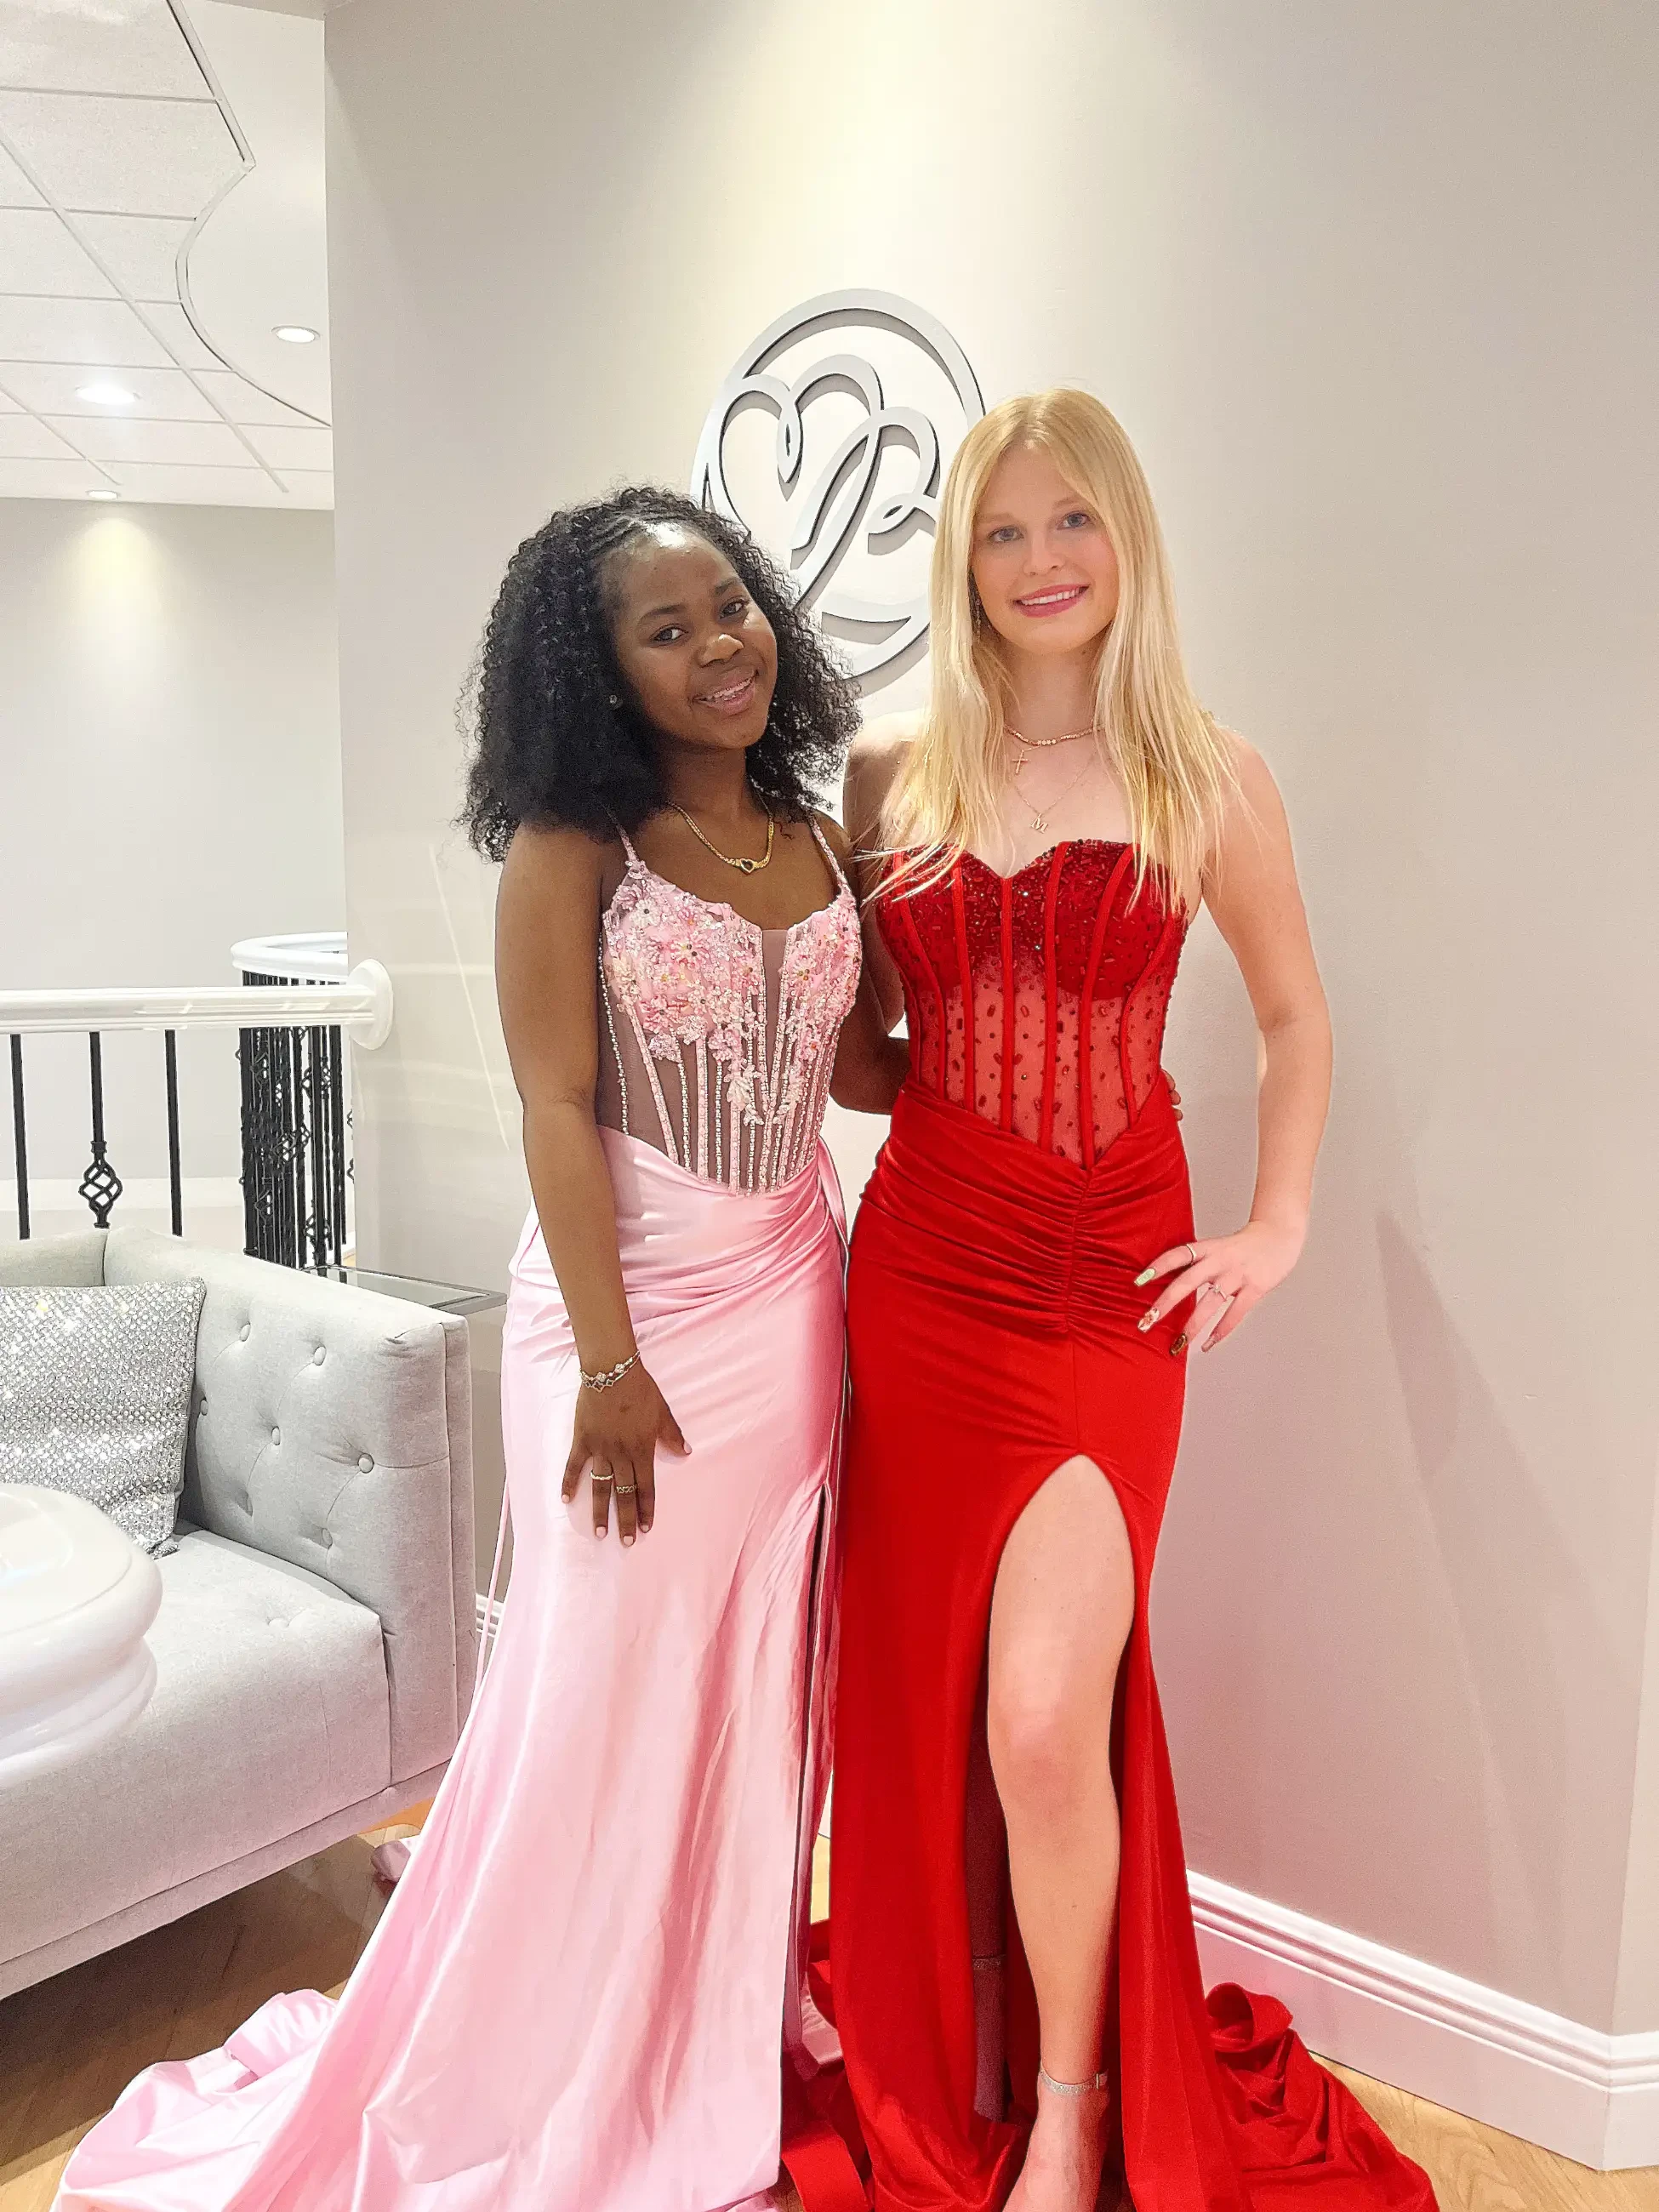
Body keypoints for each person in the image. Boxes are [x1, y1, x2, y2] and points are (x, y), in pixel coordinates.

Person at [54, 486, 886, 2212]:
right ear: (599, 672)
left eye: (730, 606)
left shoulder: (814, 832)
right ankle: (561, 2034)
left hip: (793, 1296)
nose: (718, 646)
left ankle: (706, 2008)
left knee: (753, 1666)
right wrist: (608, 1365)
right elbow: (556, 1107)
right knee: (600, 1681)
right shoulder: (577, 848)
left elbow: (862, 1063)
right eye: (666, 629)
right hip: (629, 1312)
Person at [827, 391, 1435, 2211]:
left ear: (1127, 538)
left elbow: (1296, 1017)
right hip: (923, 1272)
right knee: (927, 1704)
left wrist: (1278, 1223)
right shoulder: (890, 772)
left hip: (1110, 1286)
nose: (1040, 562)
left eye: (1070, 522)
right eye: (1002, 532)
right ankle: (962, 2043)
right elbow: (867, 1051)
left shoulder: (1206, 773)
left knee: (1039, 1717)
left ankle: (1073, 2107)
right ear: (963, 561)